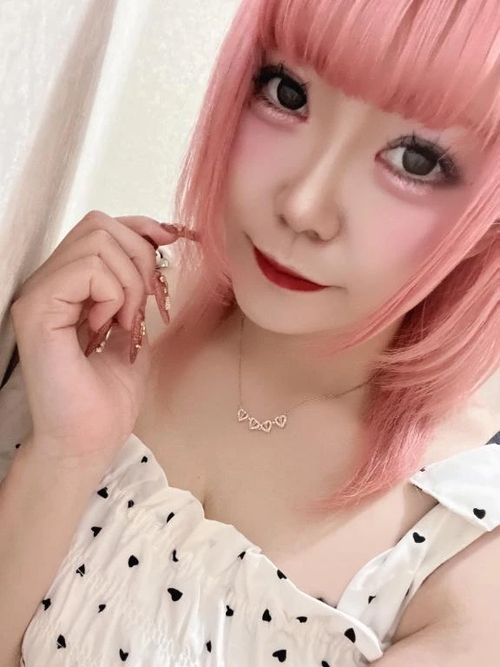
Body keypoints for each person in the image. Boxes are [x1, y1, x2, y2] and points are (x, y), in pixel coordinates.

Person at [1, 0, 499, 664]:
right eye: (287, 92)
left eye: (416, 159)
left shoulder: (461, 557)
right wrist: (63, 457)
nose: (303, 206)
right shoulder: (111, 314)